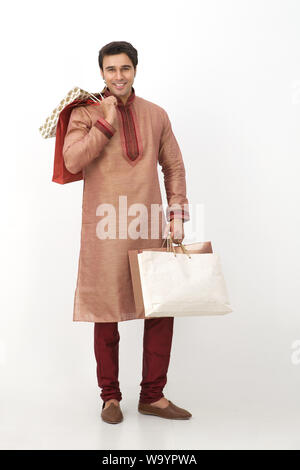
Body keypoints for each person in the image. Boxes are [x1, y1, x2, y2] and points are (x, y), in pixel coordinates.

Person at [62, 41, 192, 424]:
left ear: (135, 70)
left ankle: (153, 395)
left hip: (150, 225)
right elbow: (73, 160)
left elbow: (174, 167)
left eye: (125, 69)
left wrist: (177, 215)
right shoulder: (86, 113)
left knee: (161, 309)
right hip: (105, 230)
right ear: (101, 73)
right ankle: (110, 398)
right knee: (106, 312)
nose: (118, 76)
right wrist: (105, 123)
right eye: (110, 70)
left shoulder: (156, 114)